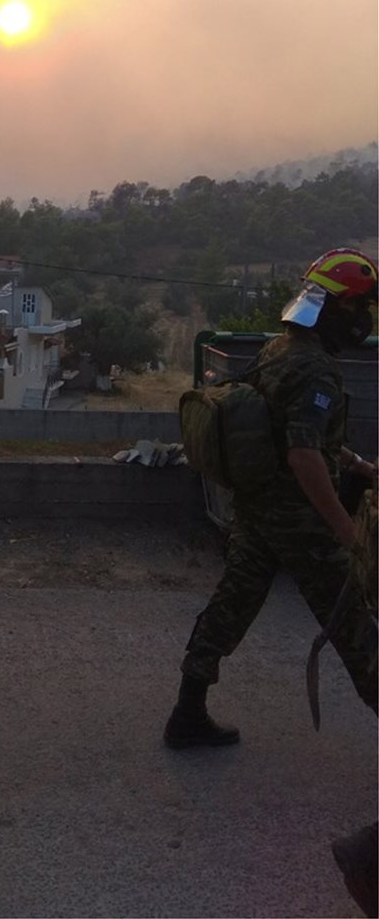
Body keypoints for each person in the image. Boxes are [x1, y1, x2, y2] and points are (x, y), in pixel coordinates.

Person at [164, 247, 378, 748]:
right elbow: (304, 457)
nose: (364, 318)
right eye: (359, 306)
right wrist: (348, 535)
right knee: (357, 632)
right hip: (299, 521)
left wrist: (357, 466)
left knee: (231, 604)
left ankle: (187, 713)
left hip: (257, 507)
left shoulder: (281, 349)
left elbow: (296, 432)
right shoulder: (317, 370)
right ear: (334, 309)